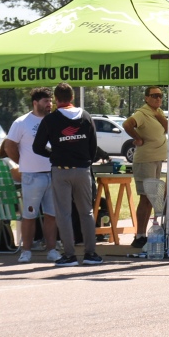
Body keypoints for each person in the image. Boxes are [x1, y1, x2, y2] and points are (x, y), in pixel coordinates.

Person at [33, 82, 102, 267]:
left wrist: (54, 155)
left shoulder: (50, 119)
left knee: (63, 214)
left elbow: (37, 147)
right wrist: (84, 159)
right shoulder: (86, 117)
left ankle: (69, 255)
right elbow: (93, 147)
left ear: (56, 99)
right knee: (86, 212)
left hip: (60, 171)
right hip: (82, 170)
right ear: (72, 98)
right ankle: (90, 254)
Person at [4, 87, 61, 264]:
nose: (49, 104)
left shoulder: (55, 120)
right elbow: (9, 146)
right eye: (45, 101)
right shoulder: (21, 122)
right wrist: (24, 163)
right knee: (29, 215)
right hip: (31, 176)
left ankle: (52, 250)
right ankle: (26, 251)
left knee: (51, 215)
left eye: (51, 100)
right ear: (35, 103)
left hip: (53, 174)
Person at [122, 86, 169, 249]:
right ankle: (139, 235)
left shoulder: (157, 112)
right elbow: (127, 124)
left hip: (157, 159)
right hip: (145, 160)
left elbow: (168, 128)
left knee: (152, 198)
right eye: (154, 96)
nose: (158, 99)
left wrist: (157, 114)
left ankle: (144, 234)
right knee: (146, 198)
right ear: (146, 98)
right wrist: (138, 138)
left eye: (160, 96)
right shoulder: (142, 113)